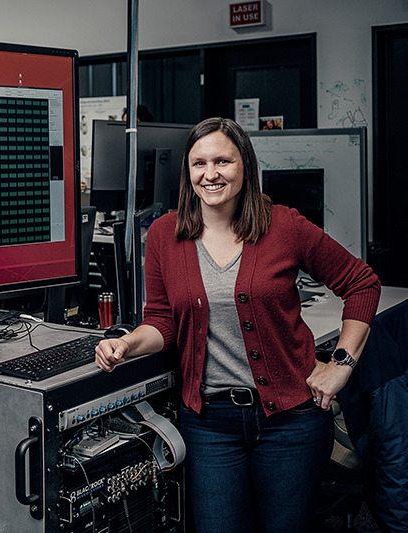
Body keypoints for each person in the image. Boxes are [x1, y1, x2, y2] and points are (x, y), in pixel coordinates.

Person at [95, 117, 380, 533]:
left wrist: (341, 364)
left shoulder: (284, 225)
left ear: (245, 165)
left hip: (291, 421)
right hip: (210, 424)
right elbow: (162, 321)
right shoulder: (163, 235)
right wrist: (127, 343)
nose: (210, 174)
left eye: (223, 161)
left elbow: (361, 283)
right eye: (198, 163)